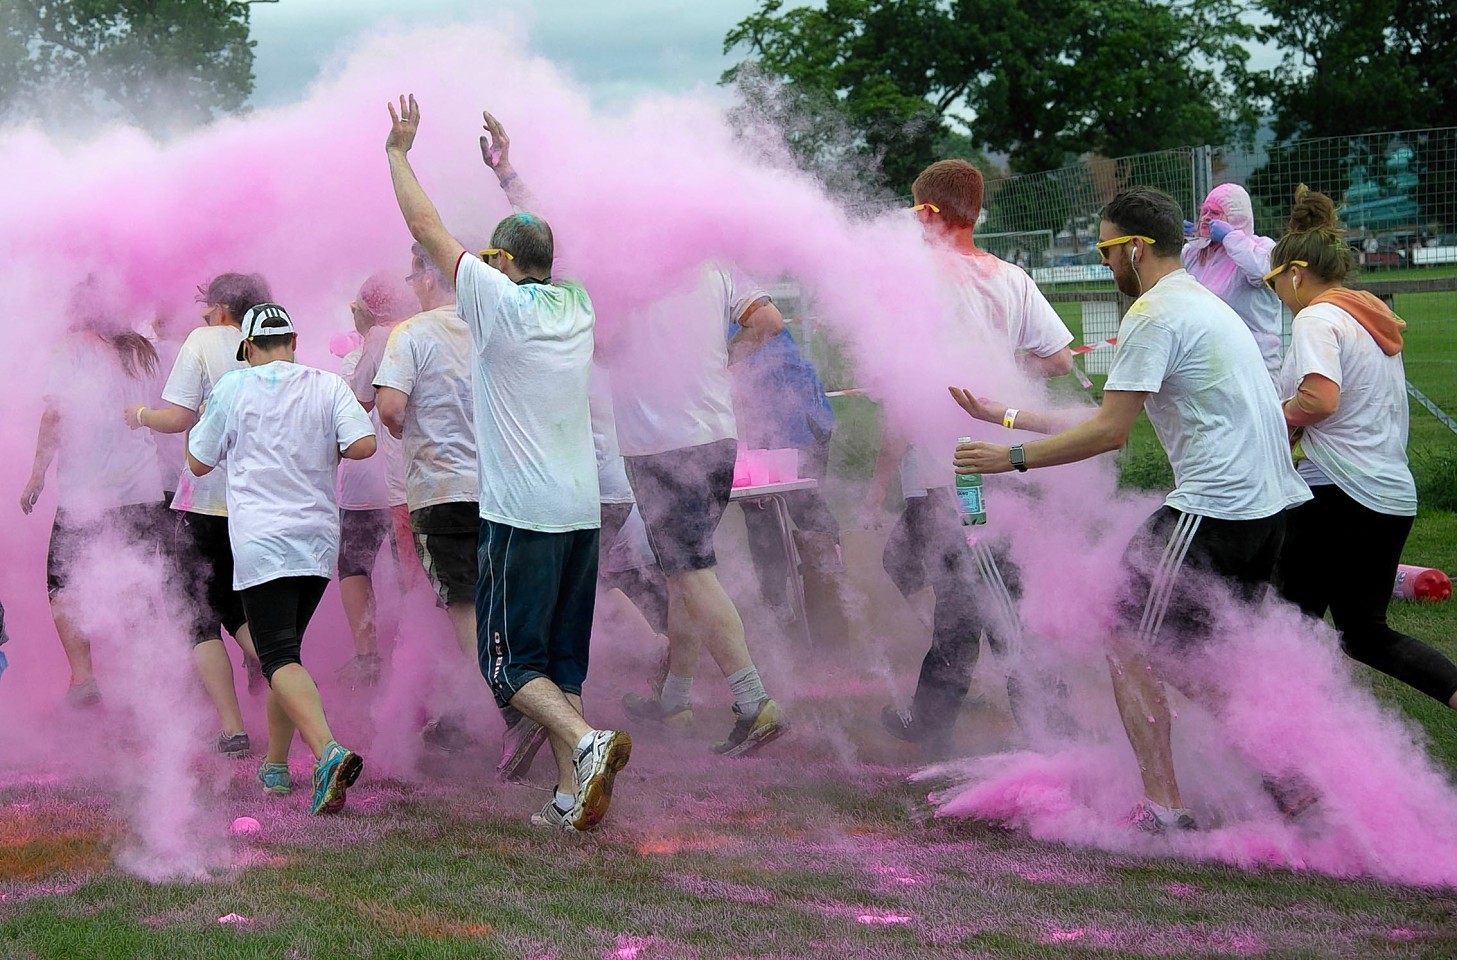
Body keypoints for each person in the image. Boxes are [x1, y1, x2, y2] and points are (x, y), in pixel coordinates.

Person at [951, 186, 1310, 832]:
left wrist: (1006, 460)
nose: (1103, 264)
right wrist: (999, 415)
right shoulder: (1198, 302)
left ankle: (1165, 809)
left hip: (1215, 509)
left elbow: (1108, 435)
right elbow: (1104, 413)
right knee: (1187, 654)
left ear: (1135, 248)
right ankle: (1281, 774)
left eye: (1105, 250)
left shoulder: (1153, 314)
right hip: (1266, 513)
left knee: (1123, 637)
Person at [387, 95, 631, 832]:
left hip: (520, 516)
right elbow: (547, 239)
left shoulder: (493, 302)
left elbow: (426, 229)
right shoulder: (577, 302)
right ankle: (569, 795)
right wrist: (509, 174)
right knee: (561, 666)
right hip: (579, 514)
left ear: (497, 262)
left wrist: (398, 153)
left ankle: (587, 744)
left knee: (508, 667)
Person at [864, 159, 1075, 755]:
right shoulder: (1010, 276)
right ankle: (934, 722)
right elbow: (1058, 359)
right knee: (971, 597)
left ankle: (1049, 726)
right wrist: (1003, 371)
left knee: (991, 602)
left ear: (927, 212)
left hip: (954, 471)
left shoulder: (913, 281)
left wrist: (879, 483)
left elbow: (900, 389)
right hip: (1006, 458)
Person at [1269, 186, 1457, 711]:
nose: (1277, 293)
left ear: (1296, 273)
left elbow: (1321, 398)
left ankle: (1289, 753)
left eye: (1274, 281)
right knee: (1364, 633)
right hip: (1391, 496)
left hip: (1338, 495)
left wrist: (1273, 421)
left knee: (1284, 625)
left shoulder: (1315, 318)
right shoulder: (1365, 316)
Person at [187, 302, 375, 815]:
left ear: (247, 348)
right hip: (315, 541)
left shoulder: (234, 386)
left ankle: (327, 753)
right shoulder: (326, 384)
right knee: (284, 656)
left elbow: (198, 461)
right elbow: (363, 444)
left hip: (263, 544)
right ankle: (274, 765)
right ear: (293, 342)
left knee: (278, 659)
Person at [375, 242, 536, 770]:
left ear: (428, 277)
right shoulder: (492, 325)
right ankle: (533, 697)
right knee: (505, 600)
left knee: (464, 609)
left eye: (412, 273)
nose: (410, 284)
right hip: (502, 489)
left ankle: (517, 713)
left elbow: (391, 408)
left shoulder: (411, 333)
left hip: (441, 492)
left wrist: (404, 424)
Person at [126, 273, 267, 756]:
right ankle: (290, 681)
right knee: (238, 607)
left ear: (222, 308)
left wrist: (141, 416)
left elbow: (179, 416)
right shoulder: (271, 344)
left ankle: (233, 728)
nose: (201, 313)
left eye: (207, 305)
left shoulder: (204, 340)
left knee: (199, 615)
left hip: (207, 501)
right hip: (260, 503)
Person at [23, 278, 169, 708]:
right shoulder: (142, 351)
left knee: (62, 583)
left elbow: (54, 417)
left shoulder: (69, 350)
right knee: (139, 587)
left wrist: (36, 476)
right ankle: (150, 686)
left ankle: (84, 678)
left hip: (86, 494)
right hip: (142, 487)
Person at [728, 314, 849, 643]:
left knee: (798, 509)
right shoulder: (737, 311)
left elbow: (735, 389)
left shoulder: (742, 316)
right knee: (766, 514)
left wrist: (741, 449)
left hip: (797, 425)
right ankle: (788, 606)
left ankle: (826, 601)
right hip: (783, 425)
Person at [334, 272, 415, 692]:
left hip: (381, 484)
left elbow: (356, 404)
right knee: (415, 577)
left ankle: (378, 659)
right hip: (409, 483)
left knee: (355, 565)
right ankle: (413, 659)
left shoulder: (380, 339)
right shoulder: (426, 327)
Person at [1182, 183, 1284, 379]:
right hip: (1210, 361)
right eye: (1204, 212)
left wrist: (1231, 237)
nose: (1206, 218)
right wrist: (1174, 243)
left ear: (1237, 217)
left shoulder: (1261, 247)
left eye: (1215, 213)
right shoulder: (1195, 253)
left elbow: (1260, 273)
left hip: (1255, 362)